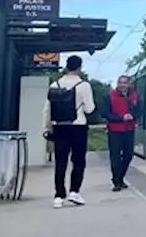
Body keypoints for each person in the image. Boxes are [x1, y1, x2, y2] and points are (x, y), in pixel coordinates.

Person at [43, 55, 96, 208]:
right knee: (78, 160)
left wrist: (47, 128)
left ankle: (58, 196)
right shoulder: (84, 85)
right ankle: (74, 192)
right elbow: (89, 109)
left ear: (66, 67)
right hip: (78, 126)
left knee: (61, 162)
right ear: (79, 67)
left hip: (59, 127)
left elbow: (47, 110)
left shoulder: (54, 85)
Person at [103, 74, 142, 192]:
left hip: (129, 130)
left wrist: (133, 116)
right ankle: (117, 181)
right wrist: (121, 118)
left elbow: (140, 111)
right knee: (115, 156)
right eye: (120, 82)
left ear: (129, 84)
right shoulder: (109, 96)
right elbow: (105, 114)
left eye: (124, 83)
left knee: (128, 155)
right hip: (114, 130)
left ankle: (120, 177)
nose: (122, 85)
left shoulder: (135, 97)